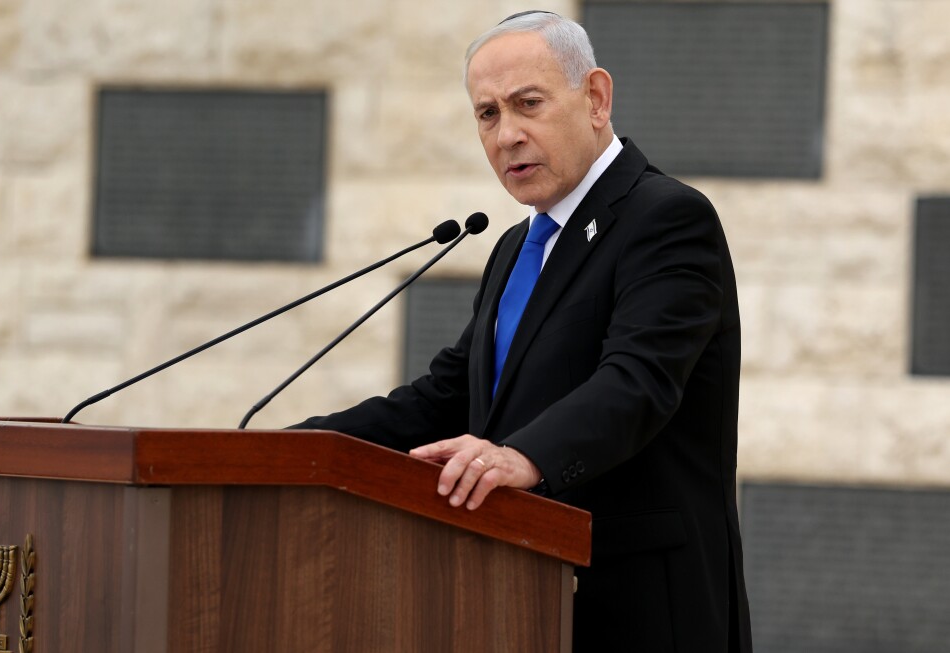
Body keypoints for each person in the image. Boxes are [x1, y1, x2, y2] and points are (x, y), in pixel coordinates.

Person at [292, 10, 751, 652]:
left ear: (595, 98)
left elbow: (637, 381)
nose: (507, 135)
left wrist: (523, 456)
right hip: (518, 600)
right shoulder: (516, 247)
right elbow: (446, 397)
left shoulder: (667, 218)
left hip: (639, 605)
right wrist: (294, 451)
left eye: (528, 104)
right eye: (487, 114)